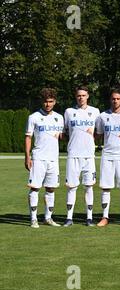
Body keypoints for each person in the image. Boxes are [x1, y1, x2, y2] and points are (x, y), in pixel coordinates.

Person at [95, 88, 120, 227]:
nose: (115, 101)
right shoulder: (102, 116)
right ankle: (105, 217)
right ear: (110, 99)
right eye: (113, 98)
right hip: (107, 156)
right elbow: (98, 134)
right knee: (106, 188)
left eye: (118, 98)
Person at [25, 88, 64, 228]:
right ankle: (33, 219)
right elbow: (28, 137)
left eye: (51, 101)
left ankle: (48, 218)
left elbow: (61, 136)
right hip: (38, 158)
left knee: (51, 188)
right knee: (35, 188)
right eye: (46, 101)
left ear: (55, 101)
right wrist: (27, 156)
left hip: (53, 159)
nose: (48, 104)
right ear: (42, 101)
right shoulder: (33, 117)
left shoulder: (59, 118)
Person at [63, 86, 100, 227]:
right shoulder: (69, 112)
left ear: (88, 96)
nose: (81, 98)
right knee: (71, 187)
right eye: (79, 95)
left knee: (89, 187)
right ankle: (68, 218)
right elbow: (65, 132)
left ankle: (89, 218)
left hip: (89, 156)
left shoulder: (95, 111)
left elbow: (98, 132)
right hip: (73, 155)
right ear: (75, 96)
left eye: (83, 95)